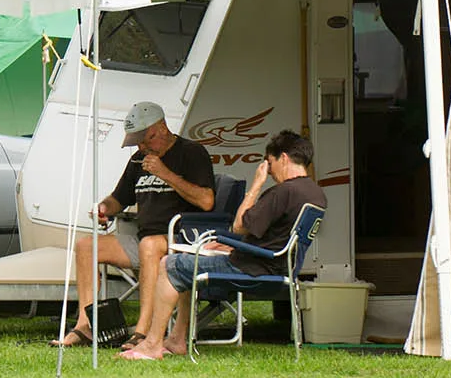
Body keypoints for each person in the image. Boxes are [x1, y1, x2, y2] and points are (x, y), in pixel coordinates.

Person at [120, 128, 327, 360]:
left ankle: (152, 344)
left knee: (170, 265)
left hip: (253, 269)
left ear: (284, 159)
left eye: (269, 163)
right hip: (278, 265)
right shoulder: (315, 194)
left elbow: (239, 225)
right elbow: (277, 239)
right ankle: (177, 340)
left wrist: (256, 186)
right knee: (189, 263)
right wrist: (233, 246)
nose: (269, 172)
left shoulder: (282, 192)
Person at [54, 101, 216, 348]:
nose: (142, 147)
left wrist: (166, 174)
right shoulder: (138, 160)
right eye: (137, 142)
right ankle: (84, 325)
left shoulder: (192, 152)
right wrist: (104, 208)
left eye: (146, 140)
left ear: (162, 128)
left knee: (149, 246)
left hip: (178, 239)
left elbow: (206, 201)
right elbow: (119, 198)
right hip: (142, 238)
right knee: (87, 246)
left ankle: (143, 332)